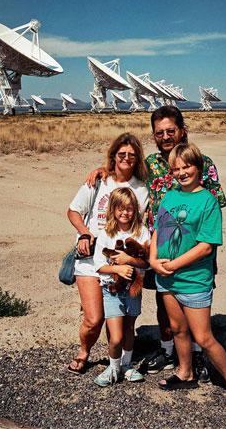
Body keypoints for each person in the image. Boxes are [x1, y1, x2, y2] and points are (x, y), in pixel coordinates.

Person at [85, 105, 226, 380]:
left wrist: (207, 250)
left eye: (170, 131)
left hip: (193, 246)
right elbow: (125, 172)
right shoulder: (150, 163)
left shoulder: (203, 162)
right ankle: (168, 348)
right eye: (159, 132)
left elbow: (213, 208)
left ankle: (197, 353)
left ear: (182, 131)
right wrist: (103, 169)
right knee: (165, 299)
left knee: (193, 299)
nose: (165, 136)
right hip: (157, 244)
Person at [149, 143, 226, 411]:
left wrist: (172, 265)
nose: (182, 172)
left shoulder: (208, 201)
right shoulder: (169, 197)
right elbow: (159, 231)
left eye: (187, 166)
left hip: (193, 280)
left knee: (203, 337)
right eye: (176, 168)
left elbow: (206, 246)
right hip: (166, 277)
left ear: (199, 168)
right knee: (179, 329)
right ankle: (185, 373)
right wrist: (152, 260)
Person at [66, 133, 149, 375]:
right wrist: (84, 233)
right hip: (91, 258)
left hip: (123, 262)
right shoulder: (99, 181)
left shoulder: (141, 189)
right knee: (94, 318)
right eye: (121, 154)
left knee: (122, 317)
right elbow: (73, 211)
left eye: (132, 156)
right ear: (113, 156)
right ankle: (84, 352)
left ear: (137, 159)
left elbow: (142, 222)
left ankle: (120, 361)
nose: (126, 158)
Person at [90, 187, 150, 386]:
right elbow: (99, 265)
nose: (125, 213)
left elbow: (146, 263)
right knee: (115, 337)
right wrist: (118, 269)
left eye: (130, 209)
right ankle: (113, 367)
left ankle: (126, 365)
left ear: (135, 210)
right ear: (113, 210)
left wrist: (129, 260)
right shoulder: (106, 234)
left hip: (133, 289)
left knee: (129, 329)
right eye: (120, 209)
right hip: (111, 291)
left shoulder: (141, 233)